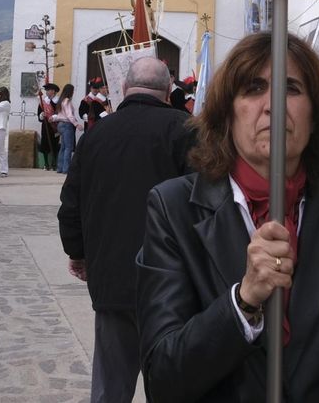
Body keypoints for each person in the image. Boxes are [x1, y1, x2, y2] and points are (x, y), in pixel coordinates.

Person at [137, 32, 319, 401]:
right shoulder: (174, 210)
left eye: (292, 89)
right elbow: (164, 379)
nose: (273, 105)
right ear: (227, 114)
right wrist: (244, 300)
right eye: (253, 88)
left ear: (315, 116)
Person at [59, 58, 194, 403]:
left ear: (123, 88)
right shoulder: (187, 130)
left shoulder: (96, 134)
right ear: (168, 91)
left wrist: (78, 253)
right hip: (172, 282)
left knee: (111, 384)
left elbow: (71, 202)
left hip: (112, 275)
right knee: (174, 382)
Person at [55, 84, 79, 174]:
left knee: (63, 147)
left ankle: (59, 168)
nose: (73, 92)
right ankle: (66, 168)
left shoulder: (61, 101)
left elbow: (59, 115)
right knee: (69, 147)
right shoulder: (67, 101)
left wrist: (54, 118)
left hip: (60, 125)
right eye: (72, 91)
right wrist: (77, 124)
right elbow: (69, 115)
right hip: (67, 125)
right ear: (70, 92)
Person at [37, 83, 60, 171]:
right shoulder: (44, 102)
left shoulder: (58, 101)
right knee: (45, 143)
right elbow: (39, 112)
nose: (46, 92)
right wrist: (41, 115)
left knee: (55, 143)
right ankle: (46, 164)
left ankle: (54, 163)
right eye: (46, 90)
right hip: (45, 125)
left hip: (55, 125)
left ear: (53, 91)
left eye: (48, 90)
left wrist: (54, 117)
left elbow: (60, 112)